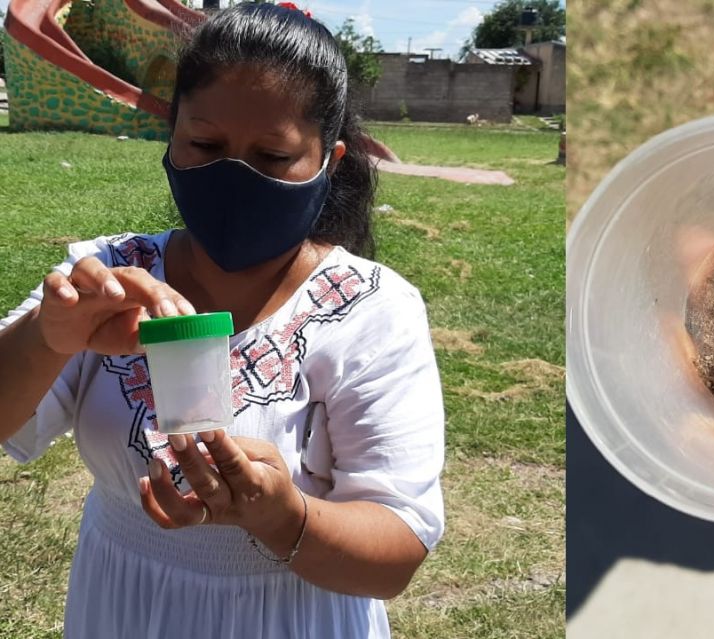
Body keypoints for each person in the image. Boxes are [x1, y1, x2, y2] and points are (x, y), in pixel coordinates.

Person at [0, 4, 444, 637]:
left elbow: (395, 554)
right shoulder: (107, 279)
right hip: (123, 605)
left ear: (329, 158)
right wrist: (51, 336)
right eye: (205, 145)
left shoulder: (373, 311)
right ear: (172, 136)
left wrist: (284, 517)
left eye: (272, 156)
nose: (234, 178)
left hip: (293, 616)